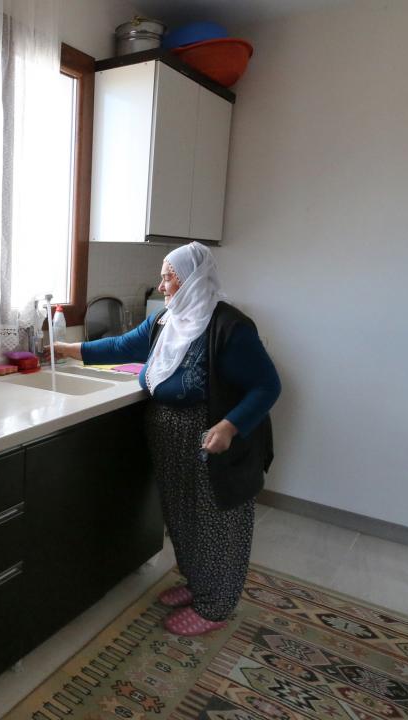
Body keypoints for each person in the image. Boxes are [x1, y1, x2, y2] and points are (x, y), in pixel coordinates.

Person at [52, 242, 280, 636]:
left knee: (215, 522)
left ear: (192, 280)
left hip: (213, 443)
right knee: (181, 516)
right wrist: (67, 349)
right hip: (170, 440)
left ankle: (216, 606)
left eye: (168, 278)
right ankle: (197, 583)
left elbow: (267, 385)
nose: (161, 287)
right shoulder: (166, 320)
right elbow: (124, 346)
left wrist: (229, 427)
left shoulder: (229, 327)